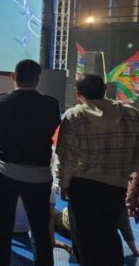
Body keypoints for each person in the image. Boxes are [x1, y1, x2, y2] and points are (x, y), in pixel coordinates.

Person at [56, 73, 139, 265]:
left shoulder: (74, 116)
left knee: (85, 240)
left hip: (82, 187)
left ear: (78, 93)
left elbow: (65, 157)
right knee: (109, 234)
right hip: (116, 186)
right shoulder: (132, 114)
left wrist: (63, 184)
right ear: (105, 89)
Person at [0, 59, 61, 266]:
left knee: (2, 229)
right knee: (40, 231)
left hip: (5, 173)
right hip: (39, 176)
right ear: (38, 79)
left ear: (13, 77)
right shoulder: (51, 104)